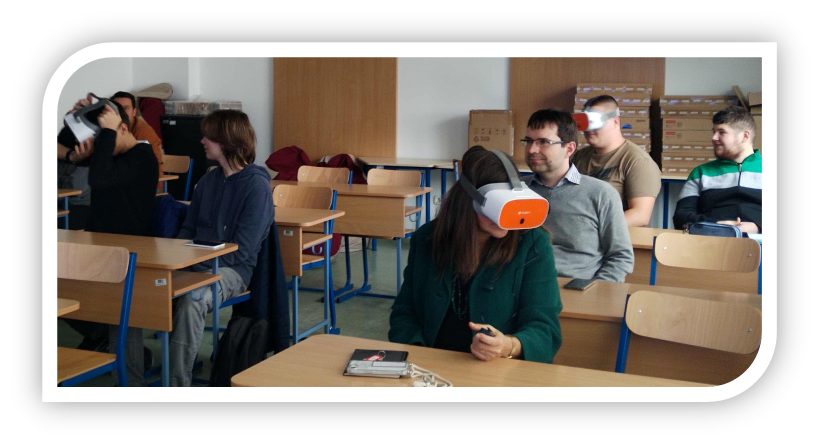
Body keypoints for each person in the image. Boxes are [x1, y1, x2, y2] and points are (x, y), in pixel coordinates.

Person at [389, 146, 562, 364]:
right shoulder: (428, 238)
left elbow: (546, 330)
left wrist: (508, 346)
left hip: (499, 370)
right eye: (497, 206)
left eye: (509, 206)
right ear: (468, 200)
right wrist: (417, 356)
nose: (502, 218)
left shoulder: (533, 243)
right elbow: (404, 312)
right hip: (430, 368)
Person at [170, 110, 274, 386]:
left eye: (209, 136)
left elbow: (243, 251)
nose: (202, 141)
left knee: (193, 299)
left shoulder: (256, 186)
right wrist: (177, 258)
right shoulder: (207, 182)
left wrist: (197, 264)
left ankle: (177, 385)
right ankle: (131, 381)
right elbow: (188, 230)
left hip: (232, 271)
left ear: (227, 140)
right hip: (198, 263)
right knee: (139, 289)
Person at [63, 97, 160, 386]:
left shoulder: (142, 157)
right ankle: (103, 338)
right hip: (100, 244)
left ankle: (128, 373)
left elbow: (99, 179)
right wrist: (76, 122)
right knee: (62, 290)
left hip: (129, 251)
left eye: (105, 135)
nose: (100, 143)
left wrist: (107, 132)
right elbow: (73, 154)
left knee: (120, 315)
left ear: (123, 129)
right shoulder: (112, 153)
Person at [522, 108, 634, 282]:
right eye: (529, 141)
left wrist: (595, 289)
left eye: (543, 142)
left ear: (569, 148)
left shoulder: (600, 193)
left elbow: (621, 257)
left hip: (577, 286)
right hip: (524, 285)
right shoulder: (517, 191)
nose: (532, 149)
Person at [571, 95, 661, 227]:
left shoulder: (637, 161)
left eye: (594, 121)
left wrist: (593, 228)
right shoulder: (579, 157)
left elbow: (640, 215)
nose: (589, 129)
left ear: (615, 121)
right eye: (585, 122)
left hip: (615, 237)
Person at [673, 106, 761, 233]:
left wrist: (758, 227)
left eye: (721, 132)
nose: (714, 138)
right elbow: (680, 217)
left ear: (744, 136)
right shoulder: (700, 173)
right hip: (711, 240)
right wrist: (715, 225)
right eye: (714, 131)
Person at [110, 91, 164, 189]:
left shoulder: (143, 131)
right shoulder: (110, 126)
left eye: (126, 108)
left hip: (148, 187)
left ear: (134, 112)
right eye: (117, 108)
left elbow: (147, 168)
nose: (122, 112)